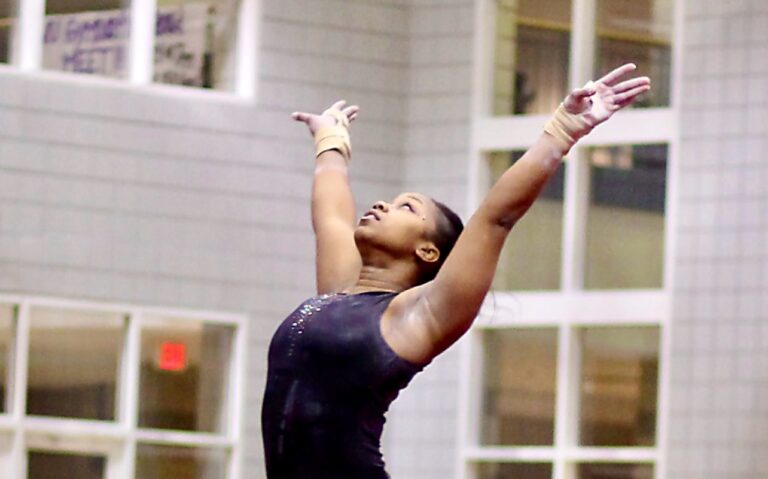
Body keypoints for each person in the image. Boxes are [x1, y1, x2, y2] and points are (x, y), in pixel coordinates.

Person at [261, 63, 651, 478]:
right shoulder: (339, 291)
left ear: (428, 252)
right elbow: (332, 220)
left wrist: (563, 130)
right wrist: (331, 140)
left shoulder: (416, 316)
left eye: (405, 208)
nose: (381, 206)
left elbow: (495, 218)